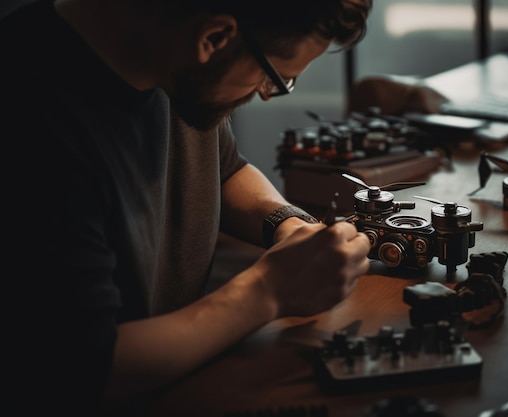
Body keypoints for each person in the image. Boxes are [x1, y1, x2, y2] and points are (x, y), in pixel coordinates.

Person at [1, 0, 372, 415]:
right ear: (213, 37)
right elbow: (87, 370)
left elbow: (225, 169)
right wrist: (269, 291)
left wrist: (288, 225)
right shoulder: (29, 122)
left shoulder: (170, 62)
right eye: (276, 79)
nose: (265, 96)